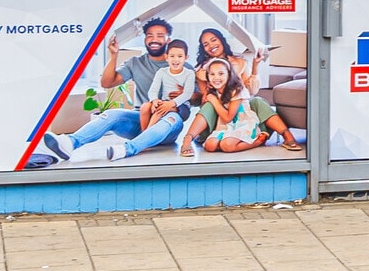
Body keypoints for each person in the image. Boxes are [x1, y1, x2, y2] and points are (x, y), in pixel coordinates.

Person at [45, 17, 174, 162]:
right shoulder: (136, 63)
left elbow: (194, 99)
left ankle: (127, 149)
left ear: (168, 40)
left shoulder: (181, 66)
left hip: (167, 127)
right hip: (140, 121)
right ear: (145, 39)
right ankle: (70, 143)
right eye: (150, 35)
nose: (154, 39)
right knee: (111, 114)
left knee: (172, 118)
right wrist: (114, 55)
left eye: (160, 36)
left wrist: (178, 99)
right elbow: (107, 83)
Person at [179, 57, 301, 155]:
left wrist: (214, 101)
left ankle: (262, 140)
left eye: (221, 74)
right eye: (212, 75)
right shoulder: (214, 91)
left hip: (242, 122)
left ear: (229, 74)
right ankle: (187, 139)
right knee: (210, 146)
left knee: (227, 145)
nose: (216, 78)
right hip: (223, 126)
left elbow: (228, 118)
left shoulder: (236, 89)